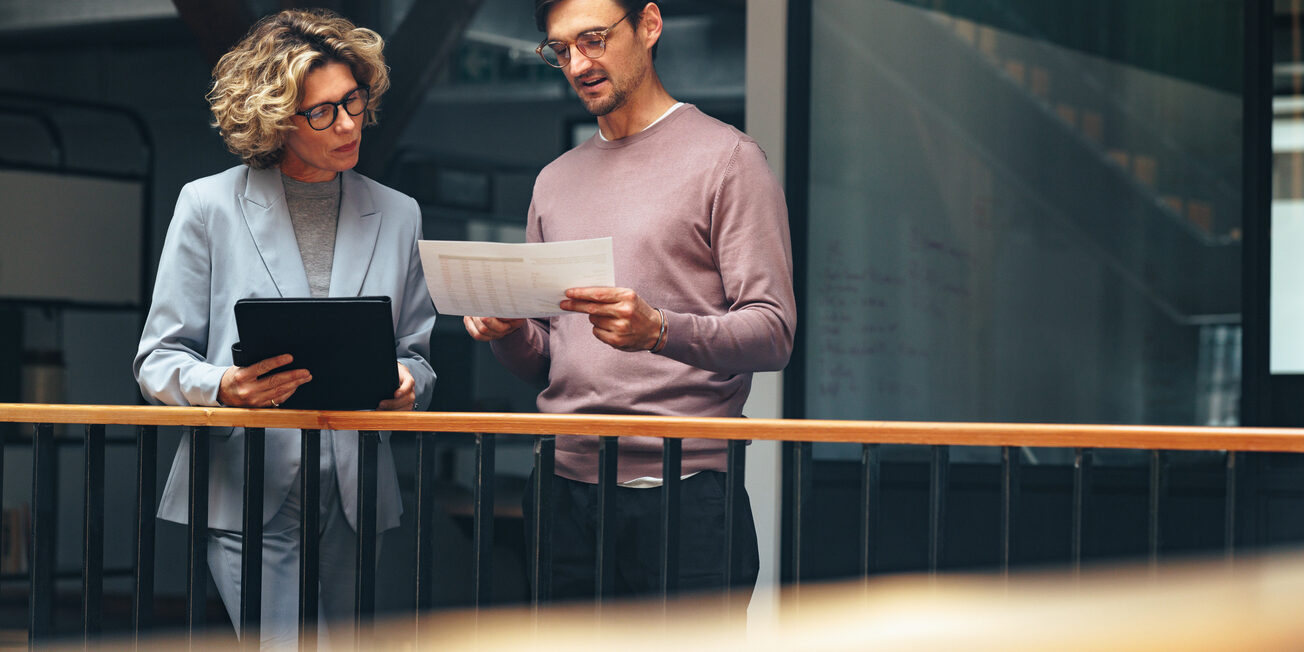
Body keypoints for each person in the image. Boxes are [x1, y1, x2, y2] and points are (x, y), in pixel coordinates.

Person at [464, 0, 795, 603]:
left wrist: (660, 330)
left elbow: (772, 332)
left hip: (686, 490)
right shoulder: (554, 180)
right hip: (561, 492)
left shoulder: (729, 161)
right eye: (560, 50)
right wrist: (508, 330)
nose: (578, 63)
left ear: (649, 24)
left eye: (592, 39)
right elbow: (546, 360)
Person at [133, 9, 436, 647]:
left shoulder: (400, 214)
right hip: (247, 484)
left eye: (354, 101)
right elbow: (157, 359)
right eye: (322, 112)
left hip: (356, 495)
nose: (349, 123)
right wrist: (223, 387)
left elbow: (416, 354)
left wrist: (412, 383)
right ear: (274, 118)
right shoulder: (207, 206)